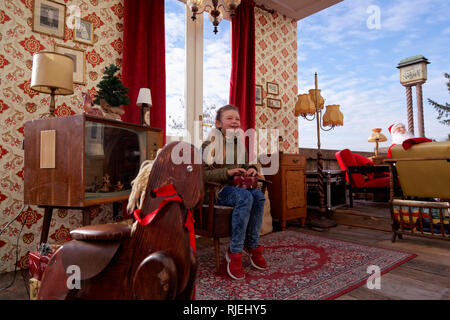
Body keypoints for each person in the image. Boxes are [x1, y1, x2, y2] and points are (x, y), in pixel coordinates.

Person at [202, 104, 267, 280]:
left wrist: (252, 169)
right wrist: (228, 172)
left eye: (237, 119)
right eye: (229, 118)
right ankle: (235, 251)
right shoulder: (209, 145)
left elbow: (246, 165)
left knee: (259, 196)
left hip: (237, 187)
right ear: (218, 124)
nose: (234, 122)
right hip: (217, 190)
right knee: (245, 197)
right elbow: (202, 174)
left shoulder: (239, 145)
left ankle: (252, 245)